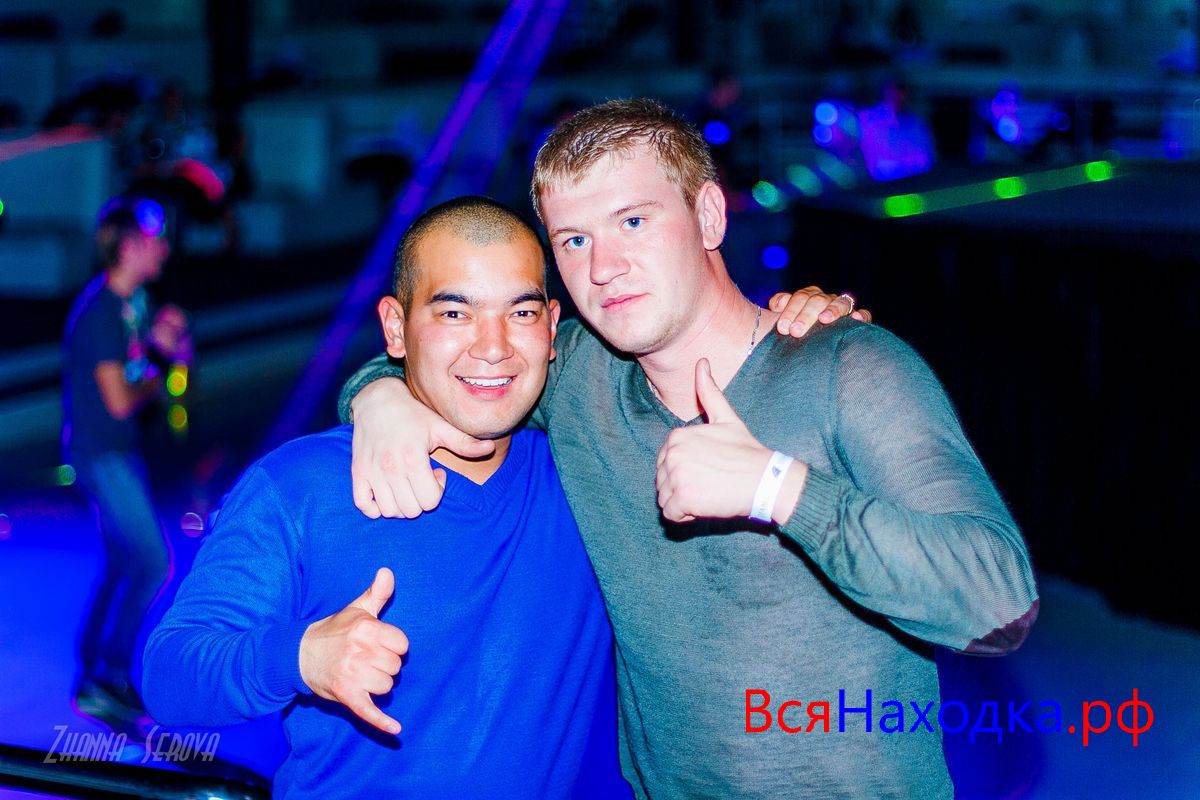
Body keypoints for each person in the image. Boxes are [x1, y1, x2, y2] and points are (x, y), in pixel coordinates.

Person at [341, 99, 1039, 798]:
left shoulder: (850, 369)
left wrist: (776, 488)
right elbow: (454, 362)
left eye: (633, 222)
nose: (604, 267)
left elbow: (1000, 605)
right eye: (574, 240)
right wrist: (379, 395)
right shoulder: (576, 376)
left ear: (708, 215)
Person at [142, 197, 635, 798]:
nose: (494, 346)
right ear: (396, 328)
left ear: (553, 328)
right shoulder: (300, 486)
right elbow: (169, 674)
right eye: (455, 313)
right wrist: (300, 657)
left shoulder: (586, 478)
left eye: (522, 312)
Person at [63, 196, 191, 729]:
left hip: (116, 452)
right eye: (155, 240)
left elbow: (156, 380)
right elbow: (120, 400)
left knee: (122, 561)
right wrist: (162, 357)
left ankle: (93, 672)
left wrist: (169, 351)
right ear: (131, 246)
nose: (165, 249)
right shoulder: (101, 314)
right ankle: (108, 674)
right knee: (154, 563)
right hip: (102, 455)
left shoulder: (131, 305)